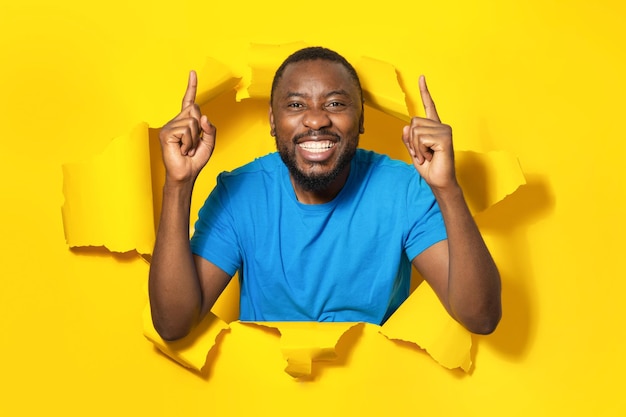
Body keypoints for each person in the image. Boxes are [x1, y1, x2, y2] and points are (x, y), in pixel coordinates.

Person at [149, 47, 501, 341]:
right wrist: (178, 185)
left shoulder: (405, 191)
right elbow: (173, 324)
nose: (316, 120)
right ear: (273, 121)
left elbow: (480, 318)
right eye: (297, 105)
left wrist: (447, 188)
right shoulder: (240, 193)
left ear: (361, 118)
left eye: (335, 104)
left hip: (375, 391)